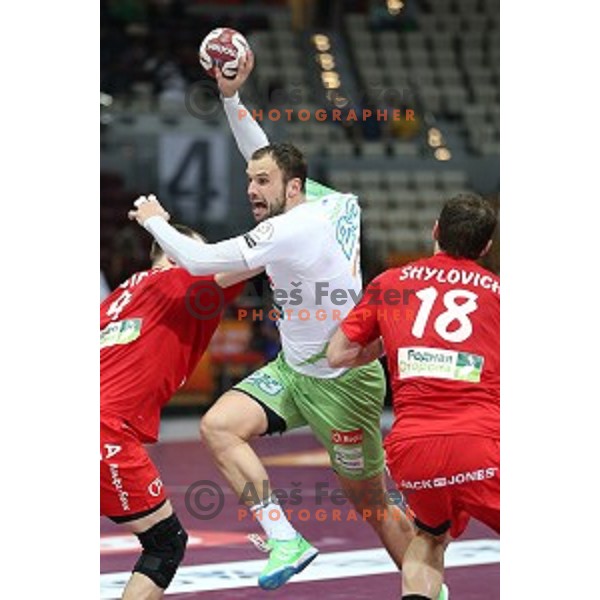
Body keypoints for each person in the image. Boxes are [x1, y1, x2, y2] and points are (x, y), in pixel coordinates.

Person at [127, 150, 425, 595]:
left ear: (293, 187)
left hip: (344, 385)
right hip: (293, 371)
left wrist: (153, 219)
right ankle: (286, 540)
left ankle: (431, 590)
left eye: (262, 180)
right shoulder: (330, 201)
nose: (251, 188)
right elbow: (261, 147)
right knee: (219, 426)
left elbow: (200, 261)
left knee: (373, 505)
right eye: (250, 179)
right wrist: (232, 101)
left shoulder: (287, 229)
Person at [327, 193, 499, 600]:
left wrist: (396, 341)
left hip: (412, 450)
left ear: (435, 230)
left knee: (429, 536)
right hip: (484, 442)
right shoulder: (500, 293)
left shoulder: (390, 284)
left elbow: (337, 354)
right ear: (486, 247)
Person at [101, 223, 259, 599]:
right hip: (106, 430)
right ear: (176, 256)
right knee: (165, 544)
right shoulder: (181, 281)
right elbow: (256, 256)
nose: (207, 263)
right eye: (201, 256)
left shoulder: (116, 300)